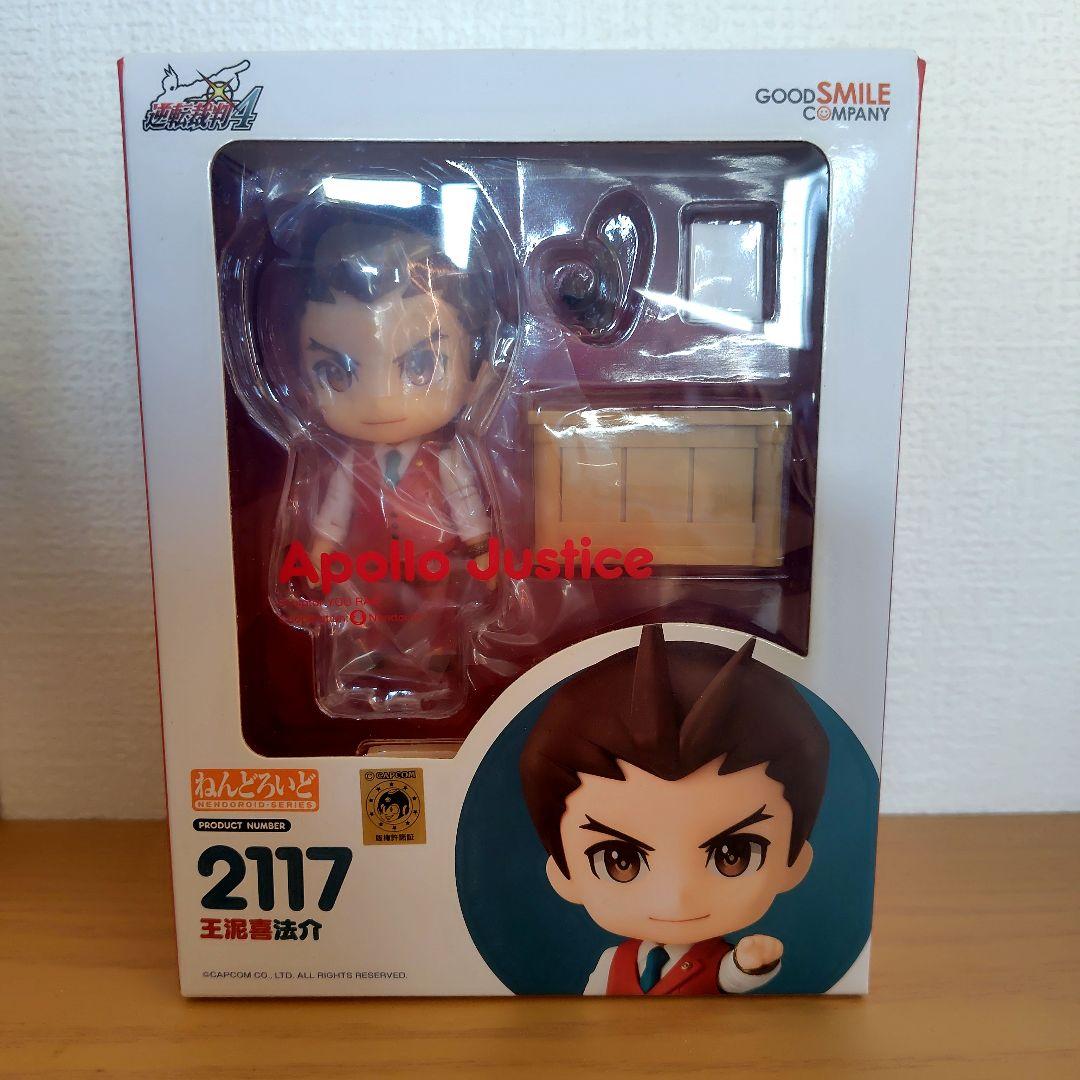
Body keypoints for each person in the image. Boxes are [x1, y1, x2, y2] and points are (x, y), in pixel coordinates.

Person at [519, 624, 829, 995]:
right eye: (620, 860)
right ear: (563, 873)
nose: (676, 896)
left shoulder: (719, 963)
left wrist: (751, 964)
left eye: (733, 855)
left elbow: (733, 976)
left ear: (794, 862)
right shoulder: (612, 962)